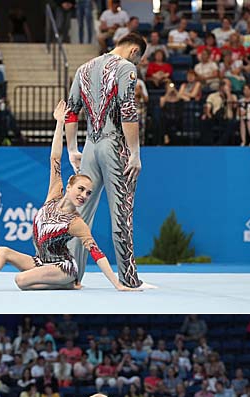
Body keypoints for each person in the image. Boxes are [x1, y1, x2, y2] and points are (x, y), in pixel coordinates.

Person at [0, 102, 120, 292]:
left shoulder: (76, 222)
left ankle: (68, 283)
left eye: (88, 193)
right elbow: (55, 158)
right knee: (2, 251)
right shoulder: (54, 192)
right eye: (81, 189)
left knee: (21, 280)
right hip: (40, 261)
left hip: (62, 268)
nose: (84, 195)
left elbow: (97, 253)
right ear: (68, 186)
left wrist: (116, 283)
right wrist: (60, 123)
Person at [64, 42, 144, 286]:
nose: (137, 64)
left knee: (78, 215)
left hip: (89, 145)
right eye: (139, 59)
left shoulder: (84, 69)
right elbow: (128, 109)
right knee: (121, 214)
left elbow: (71, 110)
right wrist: (134, 152)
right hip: (114, 145)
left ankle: (69, 276)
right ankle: (128, 280)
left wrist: (71, 149)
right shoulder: (126, 67)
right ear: (134, 50)